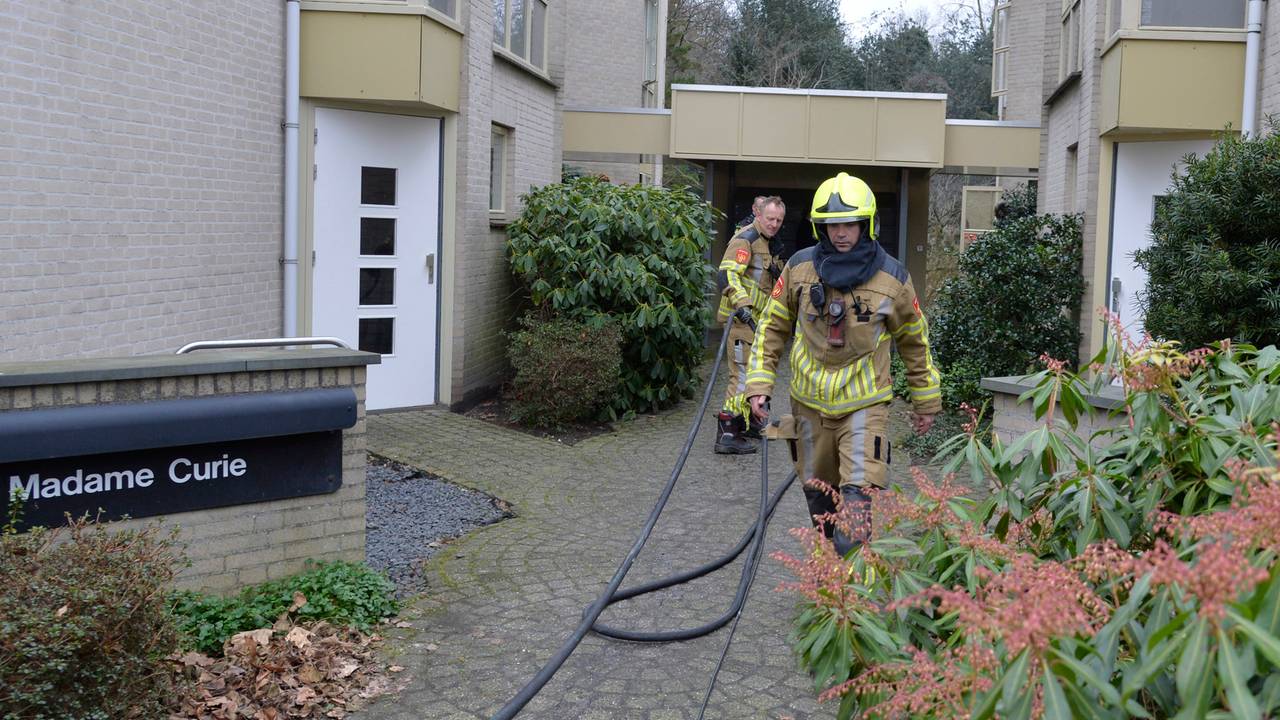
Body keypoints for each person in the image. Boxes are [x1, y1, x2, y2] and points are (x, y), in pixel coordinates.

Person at [745, 173, 941, 554]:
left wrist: (926, 401)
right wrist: (758, 386)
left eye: (849, 223)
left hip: (865, 405)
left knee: (855, 502)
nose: (841, 234)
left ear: (867, 224)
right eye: (832, 225)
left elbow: (915, 340)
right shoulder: (800, 269)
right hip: (808, 404)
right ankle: (829, 576)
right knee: (819, 498)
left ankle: (852, 590)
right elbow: (771, 327)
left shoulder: (893, 279)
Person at [714, 195, 786, 455]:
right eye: (770, 218)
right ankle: (728, 434)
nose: (774, 224)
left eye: (779, 220)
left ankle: (751, 423)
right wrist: (743, 307)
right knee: (742, 376)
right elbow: (727, 274)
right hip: (742, 321)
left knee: (756, 374)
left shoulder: (768, 242)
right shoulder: (747, 238)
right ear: (758, 215)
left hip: (758, 322)